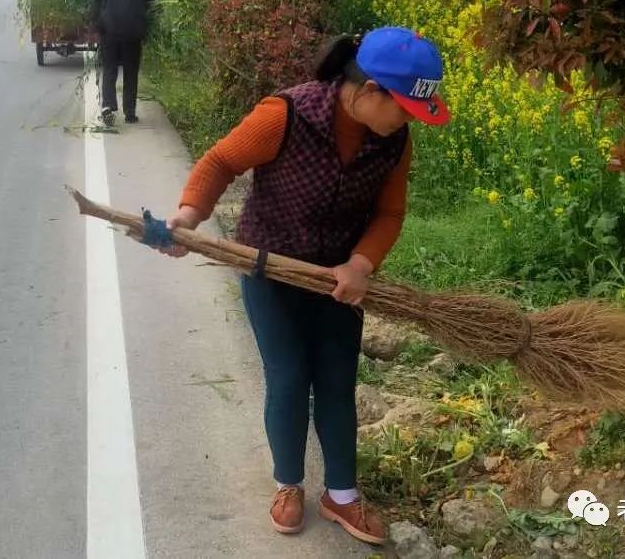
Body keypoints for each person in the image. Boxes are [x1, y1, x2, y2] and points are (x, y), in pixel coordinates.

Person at [160, 27, 450, 545]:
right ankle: (288, 484)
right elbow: (221, 161)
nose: (407, 121)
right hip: (271, 267)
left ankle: (341, 495)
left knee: (337, 382)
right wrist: (189, 215)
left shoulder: (394, 142)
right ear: (367, 92)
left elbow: (390, 212)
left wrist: (361, 264)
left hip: (341, 281)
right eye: (403, 108)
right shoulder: (286, 116)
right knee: (290, 376)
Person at [89, 0, 157, 125]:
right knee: (131, 72)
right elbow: (153, 3)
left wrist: (95, 25)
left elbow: (96, 0)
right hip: (133, 34)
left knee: (109, 69)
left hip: (108, 31)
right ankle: (130, 113)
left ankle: (108, 106)